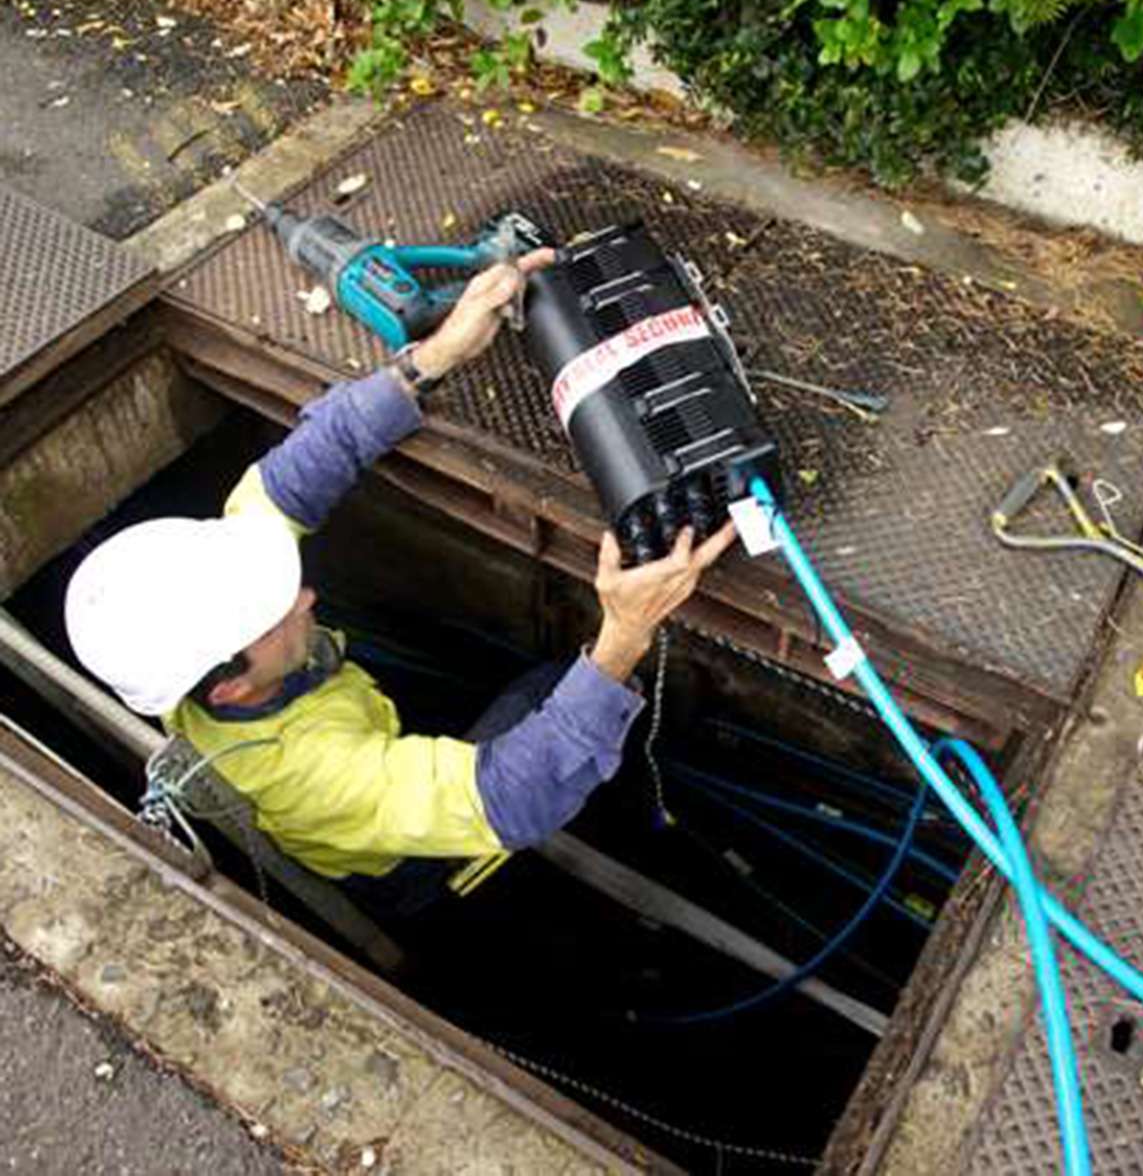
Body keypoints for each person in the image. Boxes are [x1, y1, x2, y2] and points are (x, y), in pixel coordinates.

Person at [64, 251, 738, 919]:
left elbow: (297, 472)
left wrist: (437, 353)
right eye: (275, 613)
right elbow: (509, 797)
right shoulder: (318, 780)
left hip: (362, 728)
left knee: (569, 693)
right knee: (563, 699)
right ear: (230, 686)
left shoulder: (189, 630)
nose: (305, 597)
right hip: (403, 859)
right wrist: (623, 634)